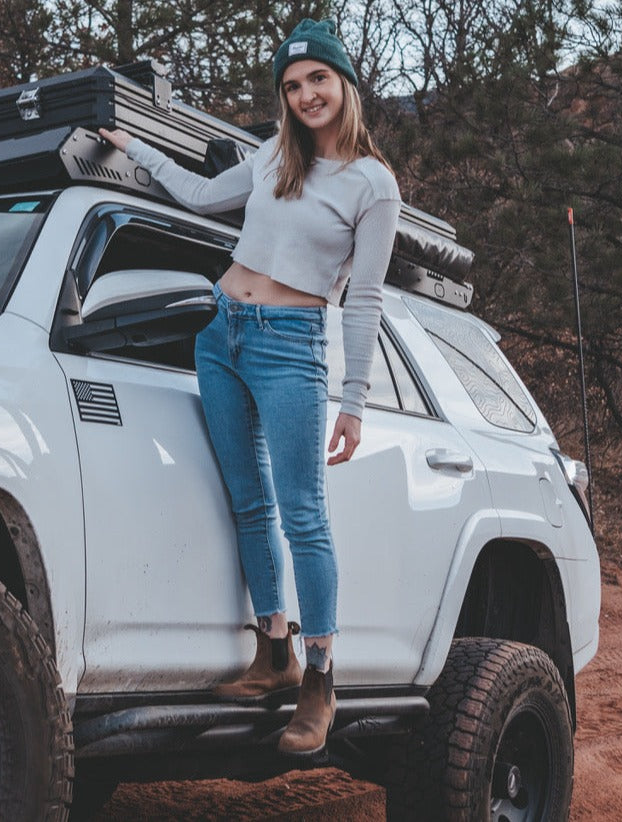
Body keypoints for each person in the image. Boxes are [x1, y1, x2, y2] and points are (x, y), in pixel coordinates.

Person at [100, 17, 400, 758]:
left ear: (344, 84)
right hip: (220, 332)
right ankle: (274, 651)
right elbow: (202, 197)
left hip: (292, 349)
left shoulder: (373, 183)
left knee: (304, 515)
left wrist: (354, 402)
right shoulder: (272, 156)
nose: (305, 96)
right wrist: (133, 148)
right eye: (292, 86)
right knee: (247, 500)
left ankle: (321, 676)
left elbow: (363, 299)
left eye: (317, 80)